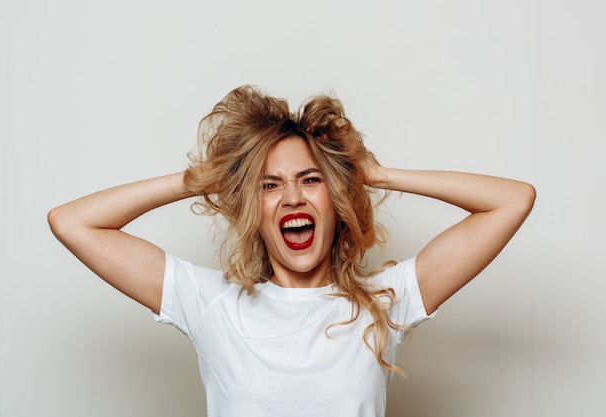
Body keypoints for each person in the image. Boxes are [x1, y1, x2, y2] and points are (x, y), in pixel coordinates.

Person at [47, 85, 536, 417]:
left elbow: (511, 201)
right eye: (270, 185)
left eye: (310, 180)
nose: (293, 198)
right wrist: (205, 179)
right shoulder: (209, 302)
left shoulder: (386, 301)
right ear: (252, 209)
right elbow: (72, 222)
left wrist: (372, 173)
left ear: (336, 201)